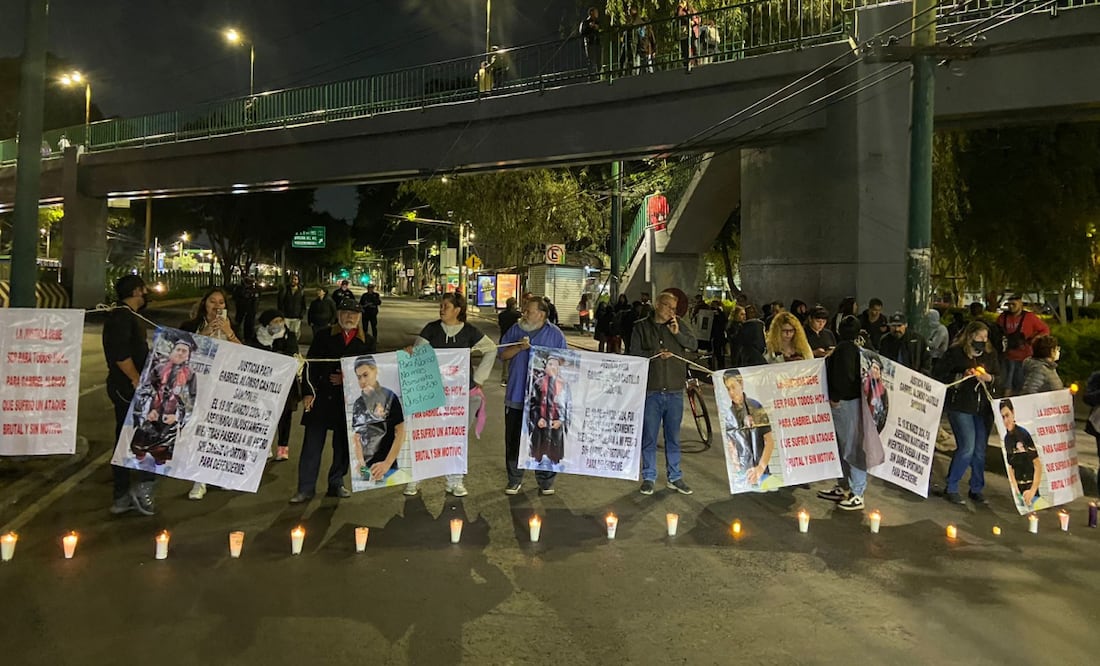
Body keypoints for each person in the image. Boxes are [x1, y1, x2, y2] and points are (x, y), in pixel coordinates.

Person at [403, 292, 497, 498]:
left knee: (455, 437)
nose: (442, 309)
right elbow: (419, 353)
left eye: (446, 305)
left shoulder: (470, 332)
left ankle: (455, 481)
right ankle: (415, 479)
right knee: (425, 435)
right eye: (441, 305)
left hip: (460, 395)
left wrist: (479, 379)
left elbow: (491, 349)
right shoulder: (432, 329)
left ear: (458, 310)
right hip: (433, 393)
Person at [290, 292, 376, 503]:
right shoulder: (323, 336)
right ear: (338, 315)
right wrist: (308, 392)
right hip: (320, 398)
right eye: (345, 313)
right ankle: (305, 488)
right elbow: (309, 365)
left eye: (354, 314)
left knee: (343, 446)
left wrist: (348, 379)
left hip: (348, 402)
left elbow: (372, 372)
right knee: (311, 445)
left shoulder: (367, 341)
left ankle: (336, 482)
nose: (350, 317)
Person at [630, 291, 697, 496]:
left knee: (673, 436)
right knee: (649, 435)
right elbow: (634, 355)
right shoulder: (641, 326)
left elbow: (693, 345)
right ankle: (649, 476)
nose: (671, 311)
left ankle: (675, 476)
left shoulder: (679, 325)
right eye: (668, 306)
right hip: (651, 390)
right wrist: (656, 355)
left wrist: (678, 334)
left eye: (674, 308)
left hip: (675, 390)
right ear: (658, 305)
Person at [499, 297, 566, 495]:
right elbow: (502, 354)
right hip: (517, 394)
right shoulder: (515, 330)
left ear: (542, 314)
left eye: (529, 311)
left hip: (544, 398)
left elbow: (564, 360)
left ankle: (545, 480)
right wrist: (519, 347)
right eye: (525, 310)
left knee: (544, 438)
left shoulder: (555, 334)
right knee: (513, 439)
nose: (524, 314)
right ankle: (514, 479)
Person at [179, 287, 241, 500]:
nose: (217, 306)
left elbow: (246, 354)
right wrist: (203, 335)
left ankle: (220, 474)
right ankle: (199, 479)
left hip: (224, 386)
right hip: (198, 386)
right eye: (212, 302)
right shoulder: (190, 327)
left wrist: (229, 333)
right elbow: (181, 352)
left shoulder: (233, 325)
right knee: (199, 431)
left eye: (221, 303)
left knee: (221, 431)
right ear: (204, 304)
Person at [103, 275, 156, 516]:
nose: (147, 293)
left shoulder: (127, 316)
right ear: (136, 291)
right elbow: (121, 355)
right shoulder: (122, 317)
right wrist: (136, 380)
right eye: (144, 289)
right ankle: (132, 492)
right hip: (127, 389)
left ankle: (126, 494)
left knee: (132, 439)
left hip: (130, 388)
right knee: (137, 439)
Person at [933, 320, 999, 506]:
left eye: (985, 337)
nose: (983, 340)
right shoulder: (955, 354)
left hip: (983, 409)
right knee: (967, 447)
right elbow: (939, 376)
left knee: (979, 451)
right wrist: (961, 376)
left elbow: (999, 378)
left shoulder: (990, 355)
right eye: (979, 337)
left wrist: (989, 378)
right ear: (970, 336)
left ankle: (976, 488)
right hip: (961, 406)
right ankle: (951, 487)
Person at [816, 315, 869, 511]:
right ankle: (845, 485)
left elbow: (845, 376)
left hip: (845, 403)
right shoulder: (856, 348)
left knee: (851, 447)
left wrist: (836, 396)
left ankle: (857, 492)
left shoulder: (845, 349)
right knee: (842, 446)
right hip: (848, 402)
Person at [129, 334, 198, 468]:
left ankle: (159, 465)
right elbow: (145, 389)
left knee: (162, 452)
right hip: (152, 414)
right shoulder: (158, 368)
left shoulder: (190, 374)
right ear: (172, 351)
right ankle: (139, 460)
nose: (180, 353)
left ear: (188, 355)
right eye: (178, 349)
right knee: (139, 444)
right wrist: (147, 410)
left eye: (184, 351)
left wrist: (177, 416)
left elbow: (191, 398)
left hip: (170, 418)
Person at [251, 309, 300, 462]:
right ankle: (265, 448)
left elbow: (292, 353)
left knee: (284, 416)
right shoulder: (257, 337)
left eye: (280, 320)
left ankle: (282, 448)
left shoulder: (288, 336)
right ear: (266, 324)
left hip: (285, 384)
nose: (279, 324)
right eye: (275, 321)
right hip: (264, 384)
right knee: (264, 416)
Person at [350, 356, 405, 483]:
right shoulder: (358, 404)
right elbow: (357, 438)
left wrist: (387, 463)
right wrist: (362, 464)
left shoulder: (390, 397)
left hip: (388, 467)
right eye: (359, 377)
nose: (362, 380)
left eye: (365, 375)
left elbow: (400, 432)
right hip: (366, 470)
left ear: (375, 371)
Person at [722, 369, 774, 488]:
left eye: (733, 387)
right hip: (744, 474)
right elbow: (732, 445)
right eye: (728, 388)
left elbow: (769, 441)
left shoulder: (755, 406)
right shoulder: (729, 414)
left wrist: (760, 468)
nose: (731, 392)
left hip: (761, 472)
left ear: (741, 384)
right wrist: (738, 469)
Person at [997, 294, 1050, 395]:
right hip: (1006, 356)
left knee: (1021, 385)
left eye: (1014, 304)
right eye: (1009, 304)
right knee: (1005, 385)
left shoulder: (1030, 317)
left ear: (1020, 303)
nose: (1011, 307)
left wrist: (1034, 340)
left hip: (1024, 357)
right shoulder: (1003, 317)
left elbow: (1045, 329)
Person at [528, 354, 571, 466]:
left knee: (554, 455)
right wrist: (537, 418)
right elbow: (533, 403)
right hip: (540, 423)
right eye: (550, 364)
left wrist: (561, 420)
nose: (552, 367)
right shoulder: (538, 383)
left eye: (555, 365)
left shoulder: (564, 385)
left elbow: (568, 406)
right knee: (538, 452)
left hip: (556, 424)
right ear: (545, 367)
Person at [1000, 399, 1043, 509]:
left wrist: (1032, 491)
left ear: (1013, 413)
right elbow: (1010, 468)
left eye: (1007, 415)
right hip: (1019, 489)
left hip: (1031, 487)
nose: (1006, 420)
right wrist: (1017, 491)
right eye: (1003, 417)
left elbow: (1037, 464)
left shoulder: (1023, 434)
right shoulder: (1007, 439)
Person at [497, 296, 522, 386]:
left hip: (504, 337)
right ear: (514, 304)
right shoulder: (517, 315)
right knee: (515, 358)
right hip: (515, 339)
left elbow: (500, 325)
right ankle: (514, 377)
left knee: (505, 359)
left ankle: (505, 378)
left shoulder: (501, 315)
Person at [234, 276, 260, 342]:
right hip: (241, 308)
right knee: (237, 323)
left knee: (249, 323)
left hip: (250, 309)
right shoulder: (240, 288)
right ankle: (236, 335)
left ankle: (248, 338)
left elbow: (256, 299)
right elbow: (236, 297)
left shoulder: (254, 289)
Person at [580, 7, 601, 76]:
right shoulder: (585, 22)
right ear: (591, 13)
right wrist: (589, 27)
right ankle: (591, 76)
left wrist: (596, 27)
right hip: (589, 43)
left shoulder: (597, 22)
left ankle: (599, 74)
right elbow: (582, 31)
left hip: (597, 42)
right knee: (590, 60)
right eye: (596, 12)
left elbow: (600, 29)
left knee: (599, 59)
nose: (597, 14)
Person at [710, 300, 728, 369]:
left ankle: (721, 366)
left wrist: (719, 313)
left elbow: (723, 322)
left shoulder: (721, 313)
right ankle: (712, 365)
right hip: (714, 335)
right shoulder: (710, 312)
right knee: (714, 352)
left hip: (719, 335)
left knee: (719, 353)